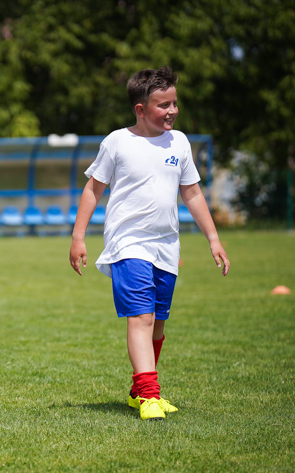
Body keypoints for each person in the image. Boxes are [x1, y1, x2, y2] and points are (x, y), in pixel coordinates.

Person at [68, 66, 230, 421]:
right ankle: (150, 396)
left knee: (157, 322)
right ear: (140, 109)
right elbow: (93, 190)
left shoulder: (180, 142)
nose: (171, 110)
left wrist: (213, 239)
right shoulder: (117, 142)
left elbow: (192, 192)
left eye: (174, 103)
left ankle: (137, 391)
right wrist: (78, 237)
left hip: (166, 246)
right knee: (140, 318)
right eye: (162, 105)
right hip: (128, 244)